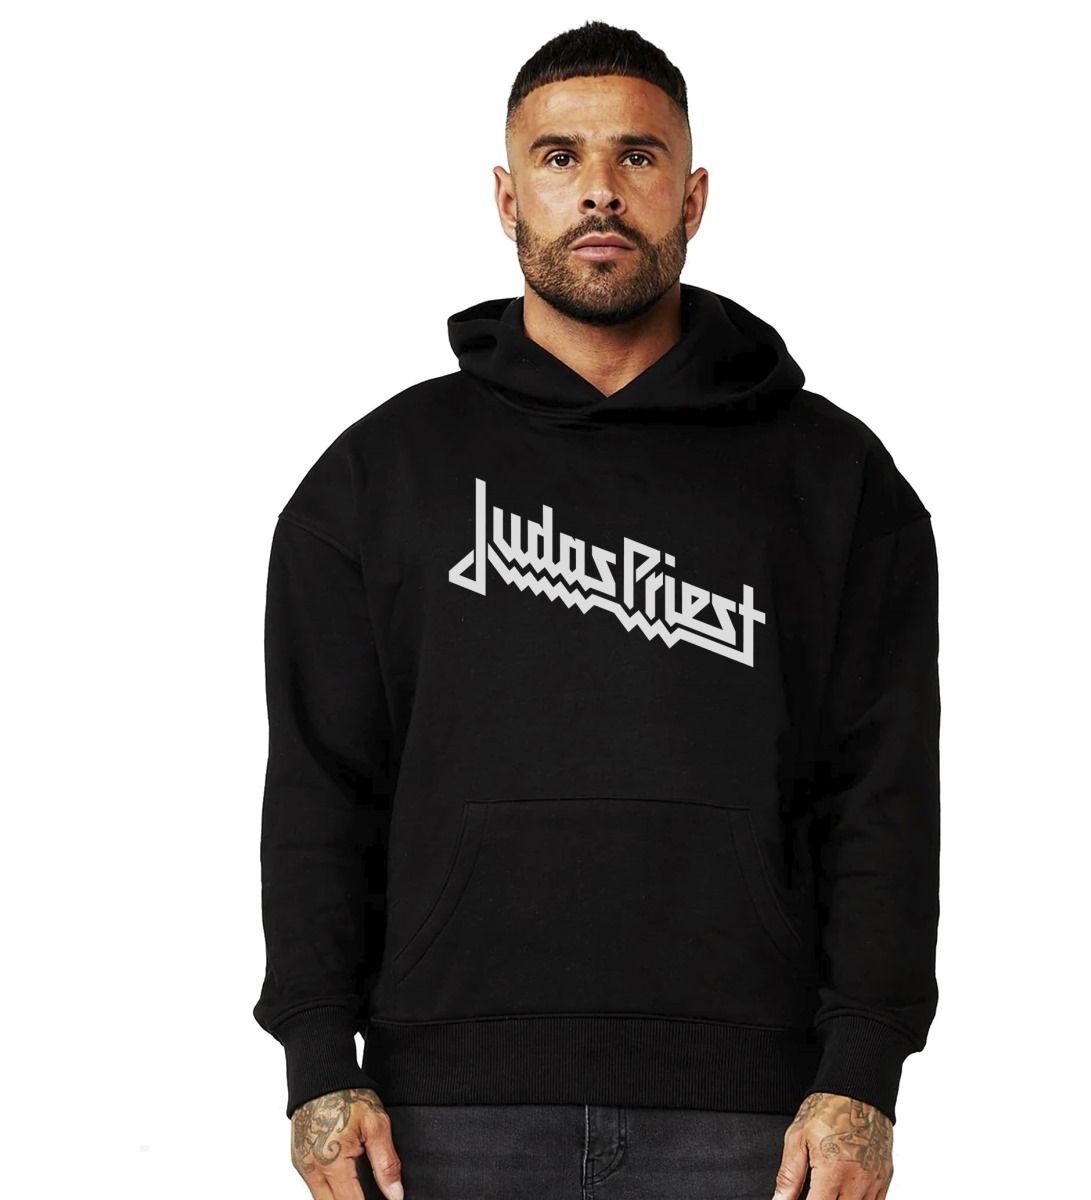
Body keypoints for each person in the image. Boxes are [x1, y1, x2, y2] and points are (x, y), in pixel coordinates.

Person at [253, 19, 940, 1200]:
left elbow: (882, 793)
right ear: (506, 197)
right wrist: (319, 1062)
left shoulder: (836, 482)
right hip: (444, 1113)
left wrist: (864, 1072)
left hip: (758, 1116)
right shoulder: (377, 478)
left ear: (694, 195)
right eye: (560, 157)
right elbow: (322, 788)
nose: (601, 191)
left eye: (639, 155)